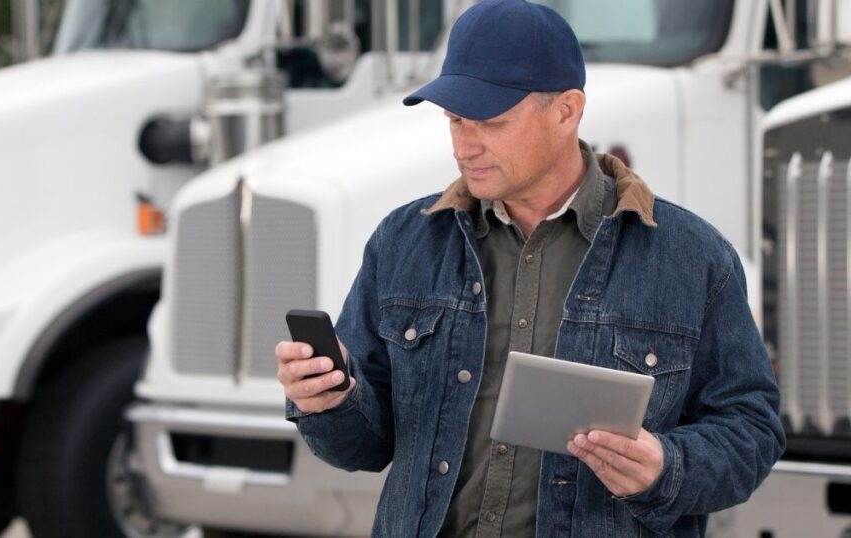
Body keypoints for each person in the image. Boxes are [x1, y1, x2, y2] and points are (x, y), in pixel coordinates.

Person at [275, 0, 786, 536]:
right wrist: (331, 400)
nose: (464, 145)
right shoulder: (404, 242)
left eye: (492, 123)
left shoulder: (691, 257)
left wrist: (666, 466)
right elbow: (366, 445)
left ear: (566, 110)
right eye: (454, 120)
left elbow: (751, 431)